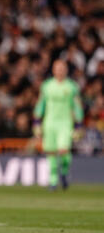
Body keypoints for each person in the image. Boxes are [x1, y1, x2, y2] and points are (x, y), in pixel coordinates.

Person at [33, 59, 83, 191]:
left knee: (64, 151)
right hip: (49, 123)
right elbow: (40, 104)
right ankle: (53, 180)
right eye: (57, 68)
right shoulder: (47, 86)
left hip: (65, 123)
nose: (60, 70)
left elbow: (77, 107)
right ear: (53, 70)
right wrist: (37, 123)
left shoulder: (72, 86)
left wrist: (78, 125)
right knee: (51, 153)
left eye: (62, 68)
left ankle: (65, 172)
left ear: (66, 70)